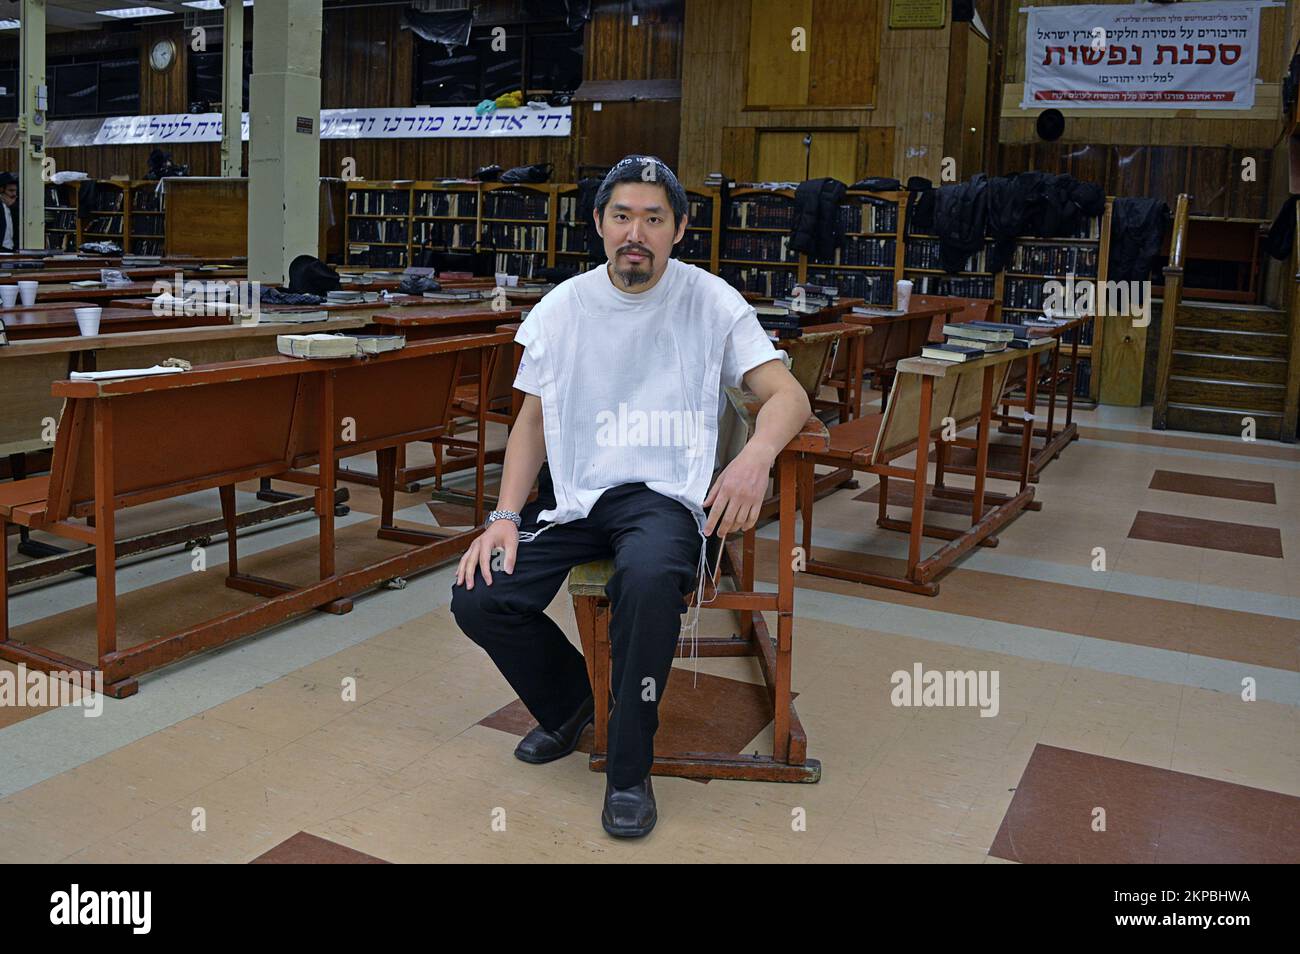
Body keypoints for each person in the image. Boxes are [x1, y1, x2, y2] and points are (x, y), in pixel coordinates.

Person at [450, 155, 811, 838]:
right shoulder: (562, 308)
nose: (635, 232)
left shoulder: (711, 301)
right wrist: (501, 517)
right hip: (577, 495)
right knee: (480, 595)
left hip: (664, 497)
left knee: (645, 582)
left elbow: (787, 395)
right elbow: (531, 419)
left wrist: (754, 458)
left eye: (653, 218)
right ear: (599, 224)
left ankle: (627, 767)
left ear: (679, 228)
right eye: (622, 216)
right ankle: (569, 708)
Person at [0, 173, 19, 252]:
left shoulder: (15, 208)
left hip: (12, 250)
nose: (14, 194)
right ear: (1, 190)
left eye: (15, 191)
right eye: (11, 191)